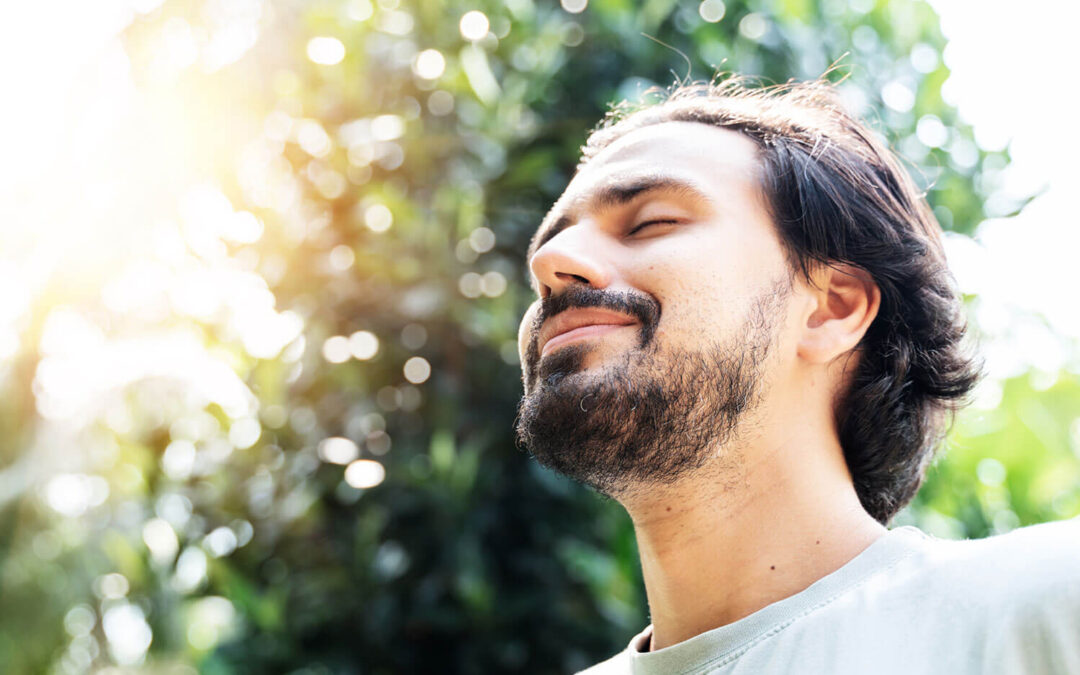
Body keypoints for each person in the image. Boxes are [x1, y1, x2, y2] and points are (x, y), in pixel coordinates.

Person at [513, 77, 1080, 674]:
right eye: (551, 246)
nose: (550, 263)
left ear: (832, 308)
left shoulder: (1048, 604)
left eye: (650, 222)